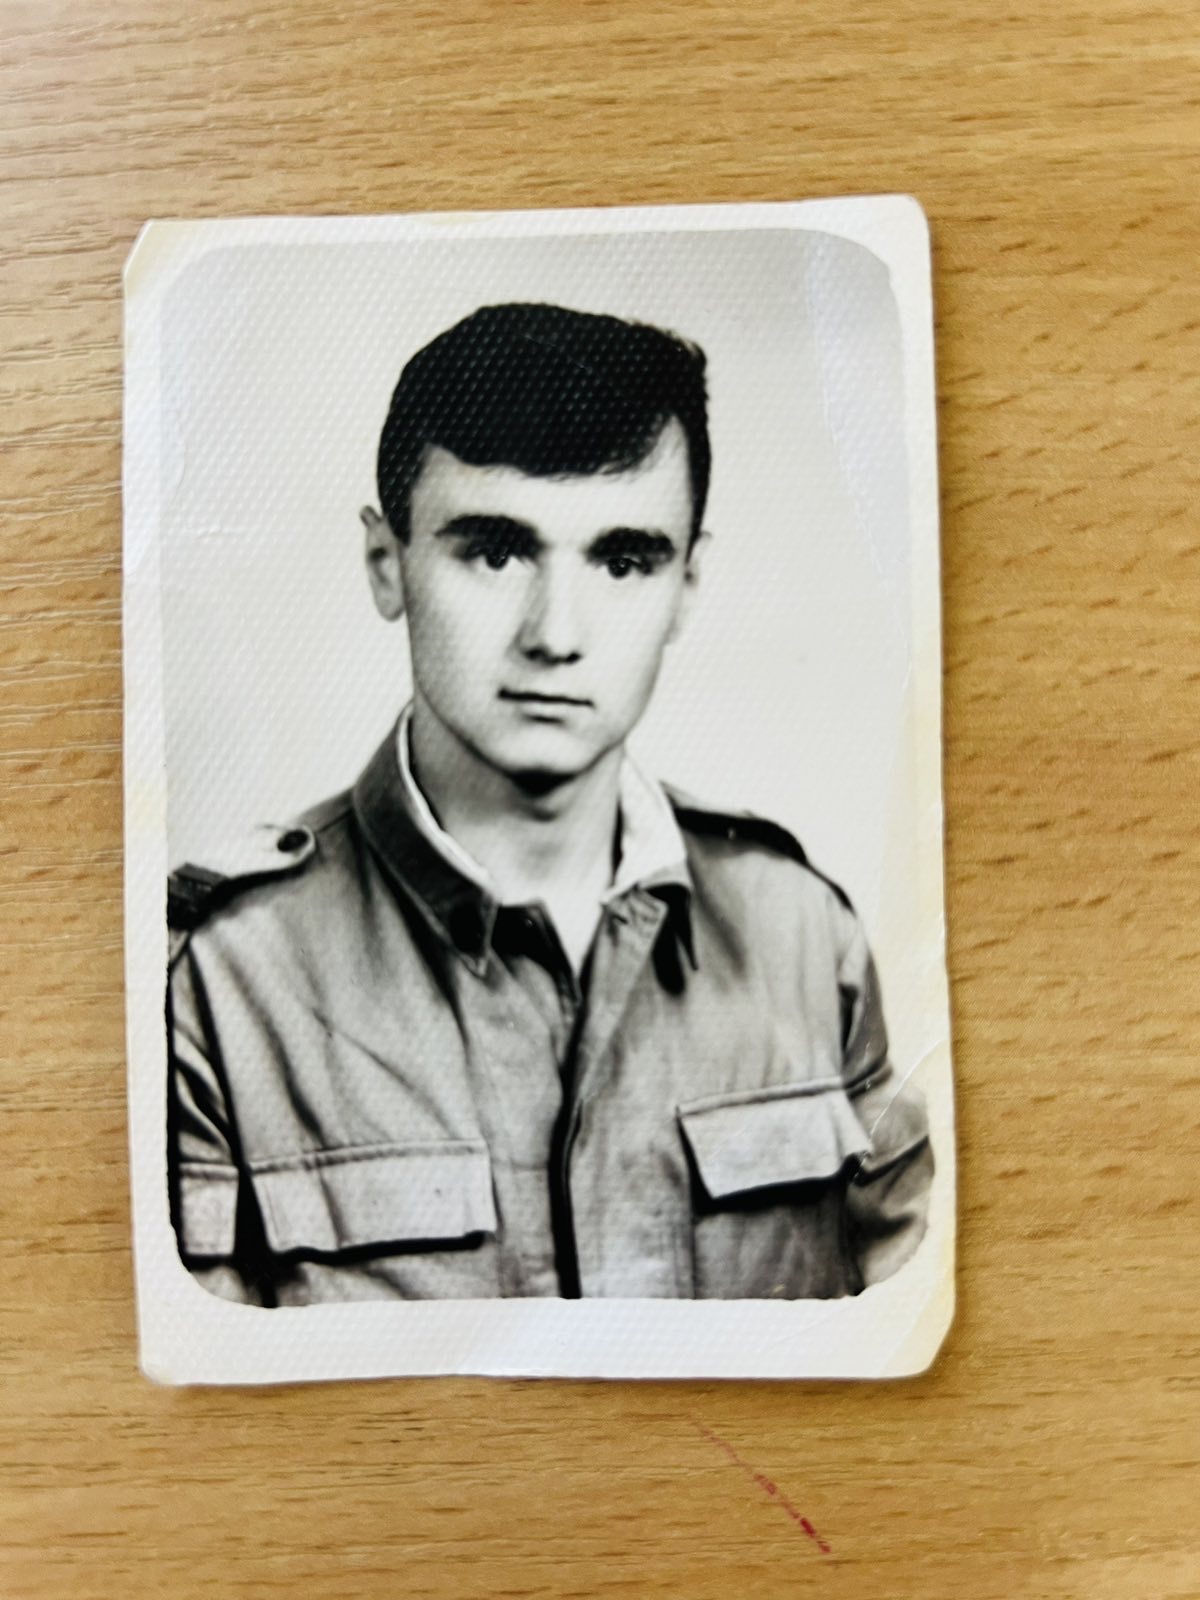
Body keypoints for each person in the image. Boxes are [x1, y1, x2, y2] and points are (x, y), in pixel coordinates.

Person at [167, 302, 933, 1306]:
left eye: (623, 562)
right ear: (386, 565)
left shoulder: (801, 933)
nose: (556, 635)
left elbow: (915, 1332)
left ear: (688, 584)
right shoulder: (218, 985)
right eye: (495, 554)